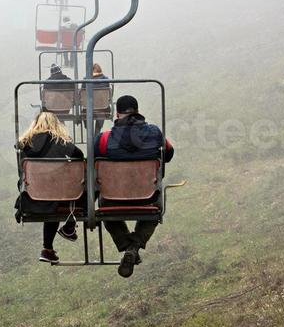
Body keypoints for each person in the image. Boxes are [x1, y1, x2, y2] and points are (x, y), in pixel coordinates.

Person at [94, 94, 174, 277]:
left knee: (104, 208)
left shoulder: (104, 139)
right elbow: (168, 154)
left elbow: (92, 164)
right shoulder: (154, 132)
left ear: (117, 113)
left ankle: (126, 244)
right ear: (137, 111)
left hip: (113, 199)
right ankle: (135, 246)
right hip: (147, 198)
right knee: (155, 209)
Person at [18, 111, 82, 264]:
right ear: (55, 124)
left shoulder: (24, 143)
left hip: (32, 196)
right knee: (81, 188)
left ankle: (47, 249)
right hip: (56, 193)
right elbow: (79, 156)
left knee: (51, 203)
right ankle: (70, 226)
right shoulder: (59, 141)